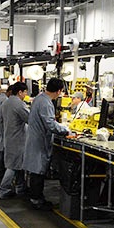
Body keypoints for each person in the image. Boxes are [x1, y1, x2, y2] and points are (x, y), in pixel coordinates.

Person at [23, 78, 70, 210]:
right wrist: (65, 130)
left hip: (36, 139)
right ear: (59, 91)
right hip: (39, 141)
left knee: (36, 171)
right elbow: (50, 124)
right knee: (38, 171)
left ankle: (36, 197)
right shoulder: (46, 103)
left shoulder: (40, 98)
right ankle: (36, 200)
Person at [0, 82, 29, 199]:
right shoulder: (18, 104)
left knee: (18, 164)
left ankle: (20, 188)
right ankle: (3, 189)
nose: (26, 95)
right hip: (17, 139)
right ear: (20, 92)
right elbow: (29, 118)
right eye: (25, 92)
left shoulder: (6, 102)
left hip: (9, 137)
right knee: (12, 166)